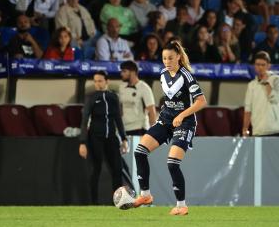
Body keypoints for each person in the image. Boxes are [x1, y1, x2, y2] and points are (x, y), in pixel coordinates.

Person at [132, 38, 207, 215]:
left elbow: (201, 101)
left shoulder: (187, 75)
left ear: (179, 57)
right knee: (139, 152)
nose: (167, 62)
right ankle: (145, 195)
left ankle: (181, 205)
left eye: (171, 58)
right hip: (165, 120)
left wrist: (181, 115)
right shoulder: (163, 74)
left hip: (185, 122)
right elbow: (170, 99)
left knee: (172, 163)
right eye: (164, 58)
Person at [78, 70, 128, 204]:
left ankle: (118, 202)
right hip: (95, 138)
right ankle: (93, 203)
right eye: (95, 81)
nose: (97, 84)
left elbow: (118, 118)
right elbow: (85, 120)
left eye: (100, 81)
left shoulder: (113, 97)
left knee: (117, 169)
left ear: (107, 81)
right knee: (95, 170)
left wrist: (124, 139)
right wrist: (82, 142)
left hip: (111, 137)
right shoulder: (91, 97)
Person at [242, 51, 279, 136]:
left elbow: (275, 99)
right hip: (258, 131)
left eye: (263, 65)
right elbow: (248, 109)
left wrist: (266, 82)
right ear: (254, 66)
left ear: (269, 66)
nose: (260, 67)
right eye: (258, 65)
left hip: (276, 130)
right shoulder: (251, 85)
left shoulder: (277, 80)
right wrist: (245, 129)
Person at [119, 60, 157, 135]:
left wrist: (153, 134)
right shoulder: (121, 87)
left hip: (139, 129)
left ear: (132, 72)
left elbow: (151, 111)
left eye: (124, 71)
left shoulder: (144, 88)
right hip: (125, 129)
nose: (121, 74)